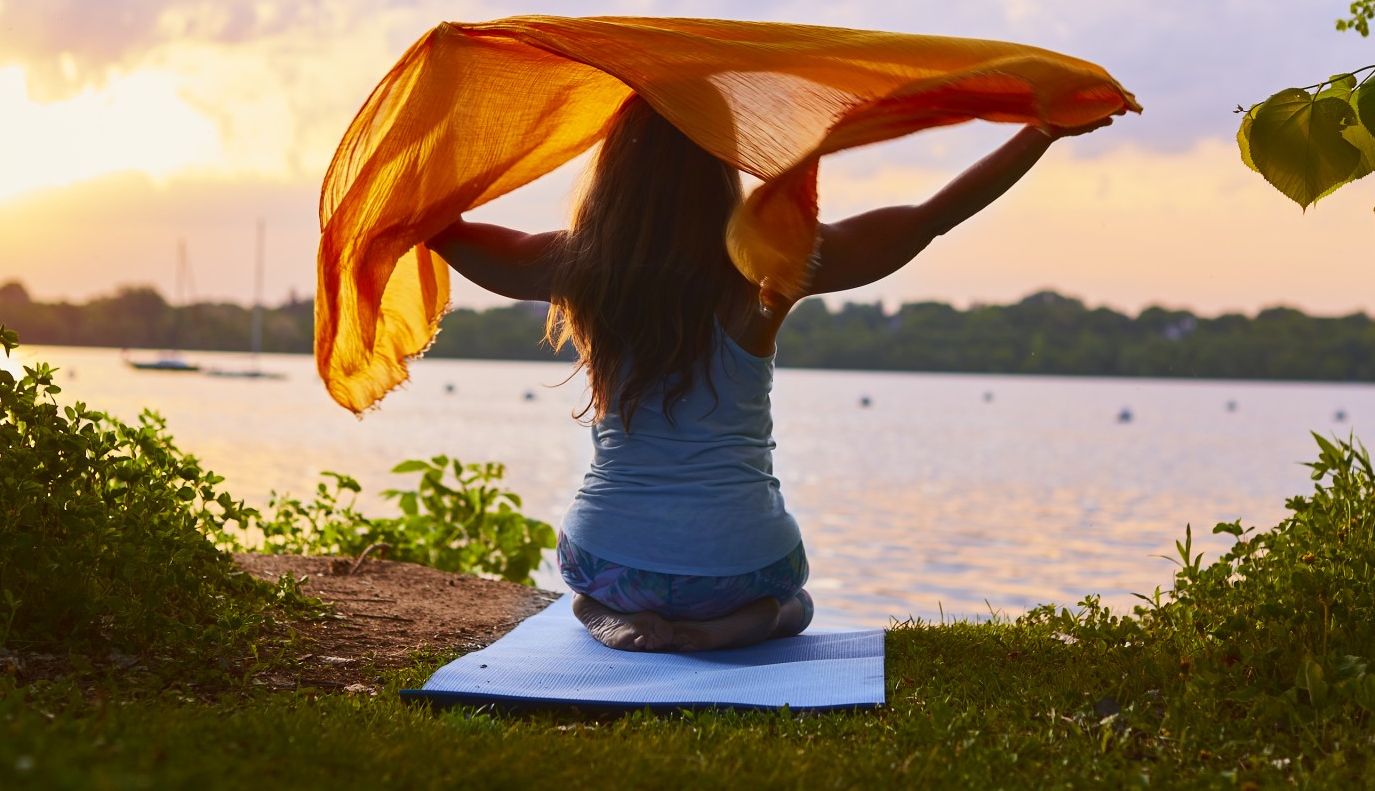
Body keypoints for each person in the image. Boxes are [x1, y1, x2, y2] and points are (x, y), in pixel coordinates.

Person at [428, 95, 1109, 653]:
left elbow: (447, 233)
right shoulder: (767, 275)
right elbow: (928, 220)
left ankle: (608, 618)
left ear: (613, 176)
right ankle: (726, 628)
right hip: (741, 569)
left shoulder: (577, 267)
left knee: (581, 581)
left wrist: (399, 196)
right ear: (721, 172)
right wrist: (1041, 132)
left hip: (612, 560)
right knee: (794, 603)